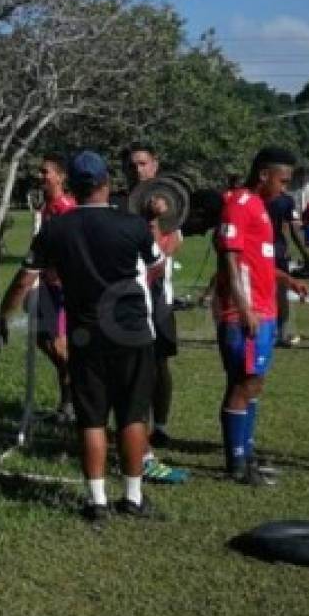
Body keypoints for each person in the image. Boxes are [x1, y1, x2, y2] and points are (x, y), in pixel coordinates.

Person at [0, 151, 164, 521]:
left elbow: (25, 278)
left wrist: (2, 316)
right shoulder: (131, 225)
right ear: (105, 183)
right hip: (132, 330)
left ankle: (96, 501)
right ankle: (133, 497)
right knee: (133, 416)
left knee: (92, 418)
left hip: (86, 333)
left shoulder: (55, 229)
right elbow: (156, 266)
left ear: (72, 184)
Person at [213, 147, 309, 486]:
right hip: (245, 312)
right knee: (243, 383)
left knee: (254, 383)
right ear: (265, 174)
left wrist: (287, 279)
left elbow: (259, 260)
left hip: (263, 308)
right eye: (282, 181)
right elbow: (231, 259)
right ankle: (236, 463)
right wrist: (243, 307)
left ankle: (247, 452)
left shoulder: (260, 207)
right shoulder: (238, 204)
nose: (284, 188)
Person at [119, 143, 188, 482]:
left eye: (143, 165)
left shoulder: (170, 208)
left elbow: (163, 254)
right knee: (136, 372)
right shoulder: (119, 207)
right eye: (131, 166)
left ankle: (159, 425)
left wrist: (154, 220)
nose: (137, 171)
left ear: (155, 166)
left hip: (158, 300)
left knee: (159, 366)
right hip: (126, 301)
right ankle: (138, 439)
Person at [29, 153, 77, 422]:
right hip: (47, 284)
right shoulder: (47, 206)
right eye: (39, 171)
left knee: (60, 346)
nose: (40, 176)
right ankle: (69, 398)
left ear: (60, 176)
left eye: (45, 171)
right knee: (43, 340)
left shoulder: (64, 206)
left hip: (62, 288)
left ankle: (72, 402)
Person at [267, 188, 309, 347]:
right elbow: (291, 227)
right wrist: (304, 253)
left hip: (261, 247)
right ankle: (281, 333)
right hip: (277, 248)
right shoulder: (286, 200)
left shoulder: (254, 196)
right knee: (281, 292)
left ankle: (267, 331)